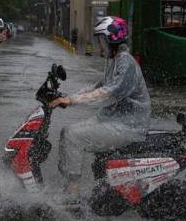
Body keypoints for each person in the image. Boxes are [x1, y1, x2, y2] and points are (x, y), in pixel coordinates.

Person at [49, 16, 151, 193]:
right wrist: (67, 97)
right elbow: (97, 87)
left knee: (73, 136)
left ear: (112, 40)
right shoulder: (115, 62)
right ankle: (71, 183)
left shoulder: (126, 63)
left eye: (102, 41)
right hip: (111, 120)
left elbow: (108, 93)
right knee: (67, 132)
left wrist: (71, 101)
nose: (99, 46)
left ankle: (72, 191)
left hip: (128, 127)